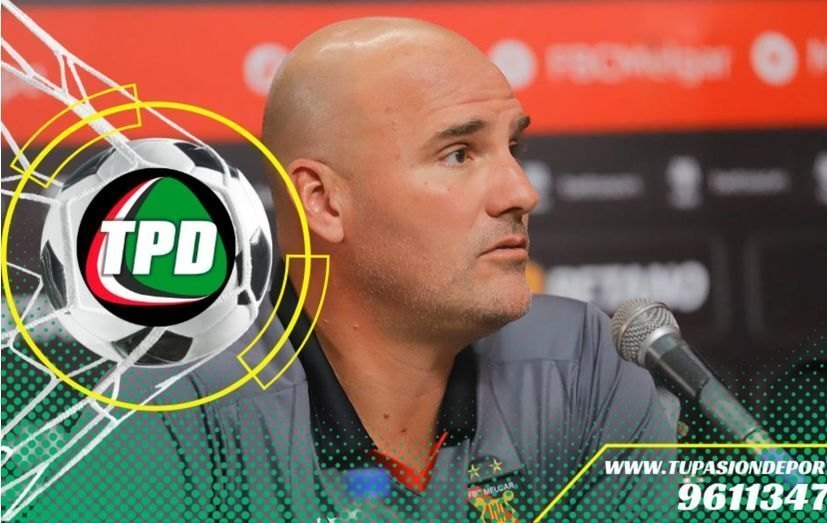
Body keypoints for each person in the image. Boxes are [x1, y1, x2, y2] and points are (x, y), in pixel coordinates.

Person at [31, 17, 676, 523]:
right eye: (458, 154)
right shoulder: (166, 418)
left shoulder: (583, 363)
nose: (522, 192)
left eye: (514, 147)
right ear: (323, 202)